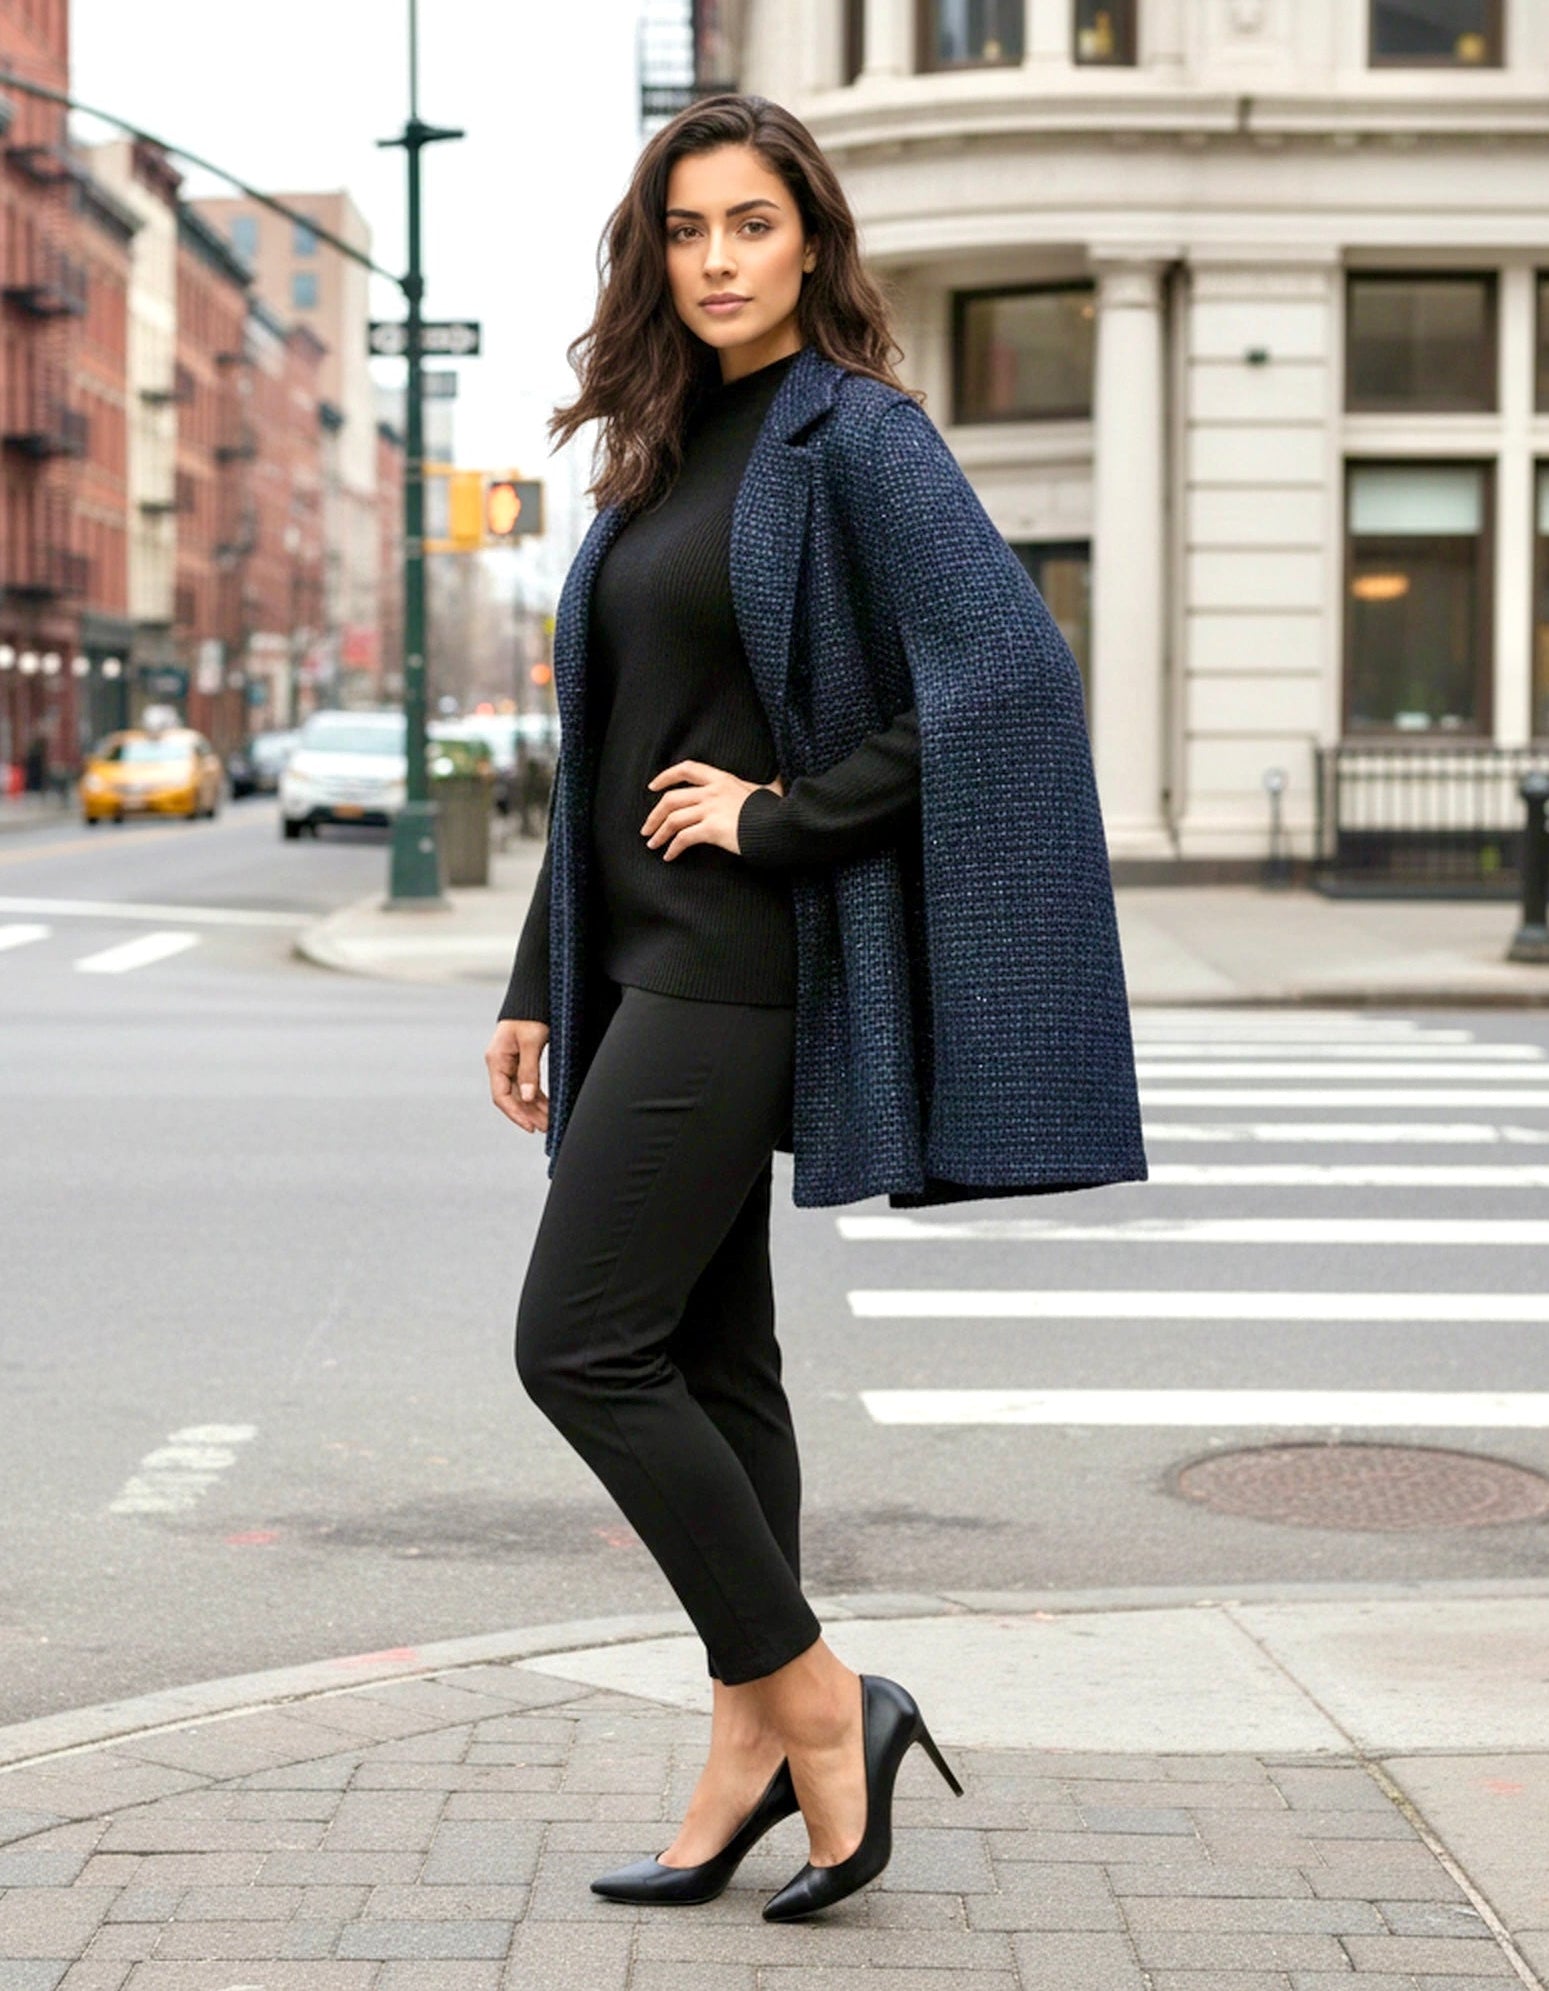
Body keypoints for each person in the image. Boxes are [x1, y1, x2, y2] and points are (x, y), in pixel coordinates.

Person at [485, 93, 1144, 1922]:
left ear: (810, 241)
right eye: (685, 230)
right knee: (707, 1363)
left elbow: (1012, 677)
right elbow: (604, 746)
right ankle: (748, 1753)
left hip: (735, 965)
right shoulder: (662, 448)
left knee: (577, 1348)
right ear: (654, 252)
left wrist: (783, 819)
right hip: (626, 968)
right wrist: (535, 976)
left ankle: (823, 1698)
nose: (715, 261)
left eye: (749, 226)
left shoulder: (856, 434)